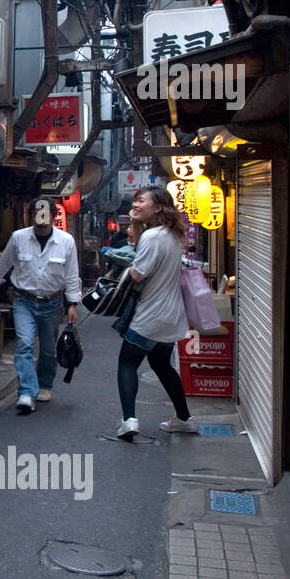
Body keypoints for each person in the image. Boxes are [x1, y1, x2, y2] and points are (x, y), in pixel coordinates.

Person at [0, 197, 81, 414]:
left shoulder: (66, 241)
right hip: (23, 300)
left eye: (46, 213)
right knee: (25, 344)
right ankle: (27, 392)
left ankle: (45, 384)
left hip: (52, 302)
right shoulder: (18, 238)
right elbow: (4, 264)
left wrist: (72, 303)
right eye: (37, 213)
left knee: (48, 349)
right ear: (30, 216)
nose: (42, 219)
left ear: (54, 216)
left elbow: (72, 274)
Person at [114, 186, 195, 441]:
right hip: (170, 314)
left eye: (141, 201)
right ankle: (184, 419)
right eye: (134, 201)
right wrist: (136, 228)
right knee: (161, 365)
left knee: (127, 363)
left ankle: (129, 421)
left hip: (150, 314)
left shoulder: (153, 236)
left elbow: (139, 274)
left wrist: (122, 266)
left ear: (158, 207)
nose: (135, 205)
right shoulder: (171, 234)